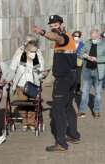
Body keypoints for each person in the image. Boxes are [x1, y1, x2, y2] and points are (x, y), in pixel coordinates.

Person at [33, 15, 81, 152]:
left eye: (55, 25)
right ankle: (73, 135)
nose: (53, 27)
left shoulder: (64, 37)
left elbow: (57, 38)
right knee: (68, 107)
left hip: (64, 79)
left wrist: (42, 32)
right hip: (71, 76)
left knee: (58, 110)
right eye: (51, 25)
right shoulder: (68, 38)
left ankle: (61, 143)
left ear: (60, 24)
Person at [8, 36, 45, 131]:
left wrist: (43, 74)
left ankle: (32, 123)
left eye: (35, 51)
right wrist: (9, 79)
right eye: (31, 51)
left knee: (33, 104)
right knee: (23, 104)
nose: (33, 53)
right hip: (21, 85)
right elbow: (12, 69)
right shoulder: (19, 57)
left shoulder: (38, 57)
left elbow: (41, 72)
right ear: (27, 50)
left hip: (33, 85)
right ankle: (25, 122)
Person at [78, 29, 105, 118]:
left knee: (98, 93)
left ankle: (96, 111)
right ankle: (82, 110)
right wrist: (84, 55)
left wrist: (97, 59)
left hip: (98, 71)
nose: (92, 38)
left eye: (94, 37)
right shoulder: (87, 43)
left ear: (98, 36)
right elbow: (80, 52)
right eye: (91, 36)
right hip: (87, 70)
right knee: (84, 92)